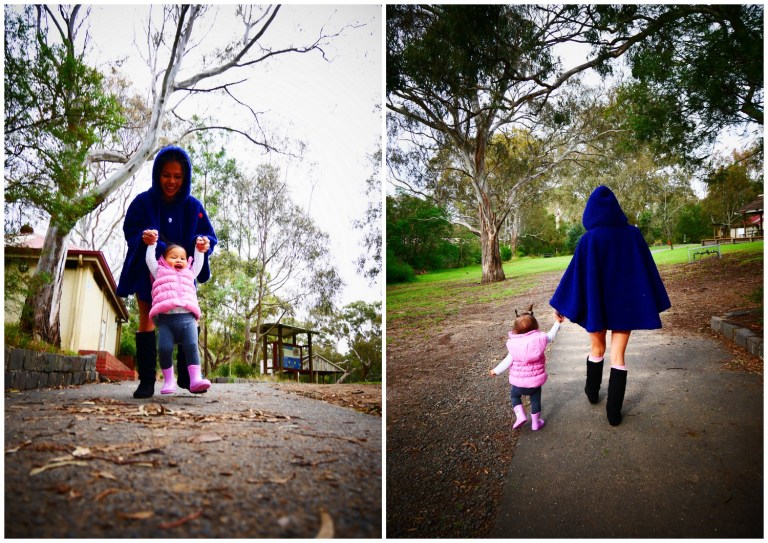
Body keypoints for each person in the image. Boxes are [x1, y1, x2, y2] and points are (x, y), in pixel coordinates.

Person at [549, 185, 671, 426]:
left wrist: (561, 305)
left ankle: (592, 393)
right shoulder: (633, 235)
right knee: (618, 356)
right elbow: (646, 269)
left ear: (590, 212)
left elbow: (575, 276)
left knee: (597, 350)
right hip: (624, 307)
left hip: (598, 306)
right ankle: (613, 413)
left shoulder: (589, 240)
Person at [116, 146, 217, 398]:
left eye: (178, 176)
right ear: (157, 174)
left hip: (181, 276)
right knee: (146, 319)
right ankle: (147, 381)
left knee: (188, 318)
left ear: (185, 178)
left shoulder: (194, 206)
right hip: (147, 271)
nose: (171, 181)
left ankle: (186, 375)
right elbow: (131, 230)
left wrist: (202, 243)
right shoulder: (142, 202)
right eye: (165, 175)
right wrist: (146, 239)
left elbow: (208, 236)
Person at [144, 231, 211, 393]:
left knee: (191, 346)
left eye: (182, 257)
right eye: (173, 257)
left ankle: (195, 380)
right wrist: (152, 244)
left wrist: (199, 249)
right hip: (166, 321)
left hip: (188, 320)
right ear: (164, 261)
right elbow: (150, 259)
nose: (178, 260)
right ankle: (169, 381)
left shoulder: (189, 273)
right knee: (164, 349)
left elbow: (198, 264)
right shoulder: (159, 271)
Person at [490, 306, 564, 431]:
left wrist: (495, 371)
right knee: (535, 401)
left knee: (514, 396)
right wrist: (557, 322)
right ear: (536, 327)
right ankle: (536, 423)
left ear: (515, 330)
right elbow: (551, 335)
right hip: (535, 384)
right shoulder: (540, 340)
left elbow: (506, 362)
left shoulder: (513, 345)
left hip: (518, 384)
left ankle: (520, 416)